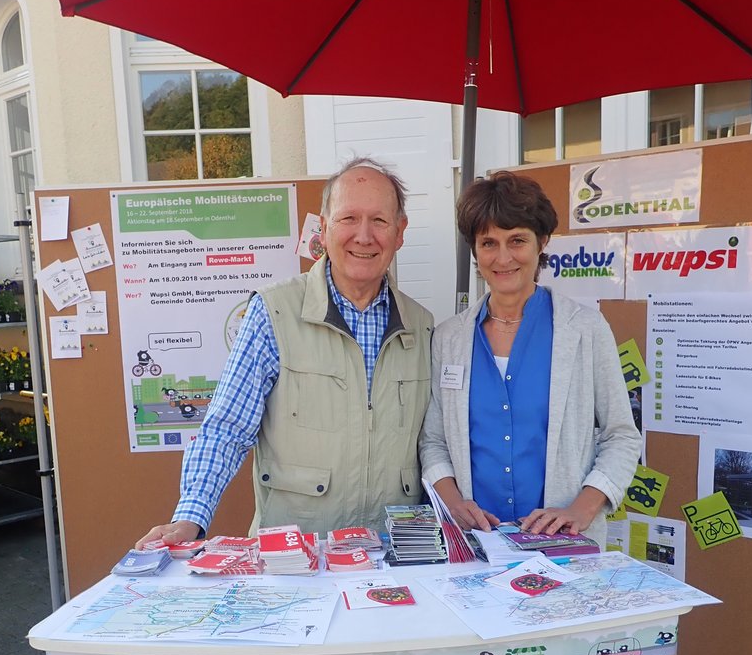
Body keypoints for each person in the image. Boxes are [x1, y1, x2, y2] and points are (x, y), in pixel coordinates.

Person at [137, 158, 433, 547]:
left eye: (379, 220)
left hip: (392, 553)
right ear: (324, 228)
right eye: (348, 218)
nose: (364, 236)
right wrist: (191, 516)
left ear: (400, 232)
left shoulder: (421, 325)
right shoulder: (273, 313)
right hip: (296, 558)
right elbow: (228, 426)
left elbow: (433, 442)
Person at [419, 172, 640, 549]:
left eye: (517, 240)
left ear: (542, 241)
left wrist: (581, 510)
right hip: (475, 544)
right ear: (475, 250)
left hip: (563, 545)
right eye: (488, 243)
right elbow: (434, 440)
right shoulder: (449, 338)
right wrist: (453, 504)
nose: (503, 257)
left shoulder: (584, 329)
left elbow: (621, 435)